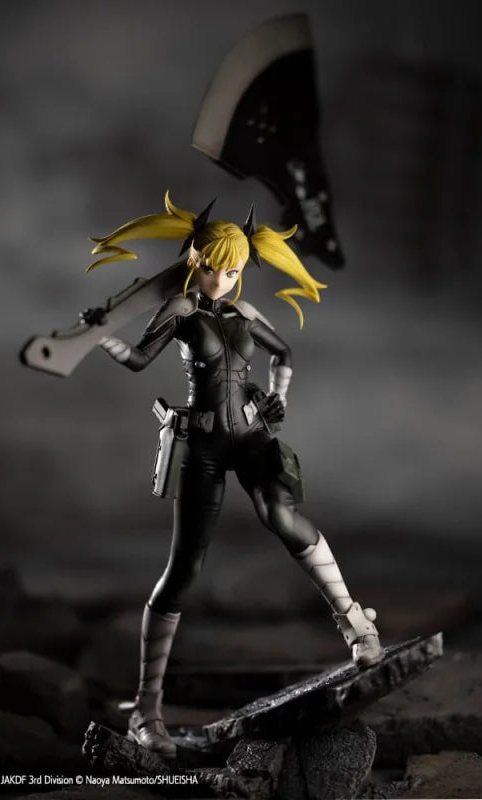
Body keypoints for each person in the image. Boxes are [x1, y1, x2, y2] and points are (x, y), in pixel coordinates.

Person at [86, 192, 384, 757]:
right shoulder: (180, 310)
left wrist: (278, 396)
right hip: (201, 444)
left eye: (232, 270)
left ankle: (355, 622)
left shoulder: (245, 314)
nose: (221, 279)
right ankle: (146, 709)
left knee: (281, 515)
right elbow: (137, 359)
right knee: (184, 568)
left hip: (250, 436)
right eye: (212, 267)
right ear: (194, 259)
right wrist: (97, 336)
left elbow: (283, 353)